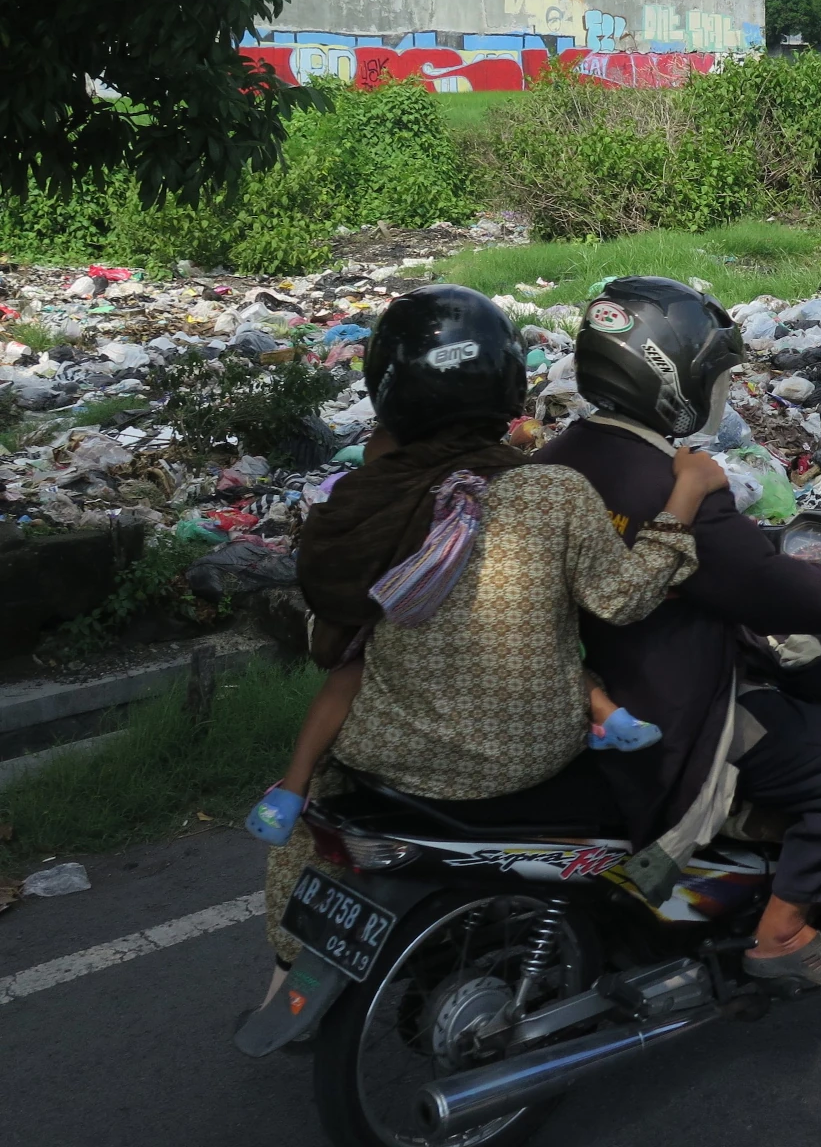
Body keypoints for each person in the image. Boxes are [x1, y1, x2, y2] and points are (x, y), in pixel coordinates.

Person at [253, 285, 724, 983]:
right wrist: (684, 499)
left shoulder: (374, 493)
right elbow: (621, 603)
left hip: (389, 751)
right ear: (506, 382)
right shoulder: (550, 490)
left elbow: (335, 616)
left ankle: (292, 951)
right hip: (525, 756)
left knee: (325, 778)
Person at [535, 276, 821, 991]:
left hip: (575, 685)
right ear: (671, 373)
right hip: (668, 703)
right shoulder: (671, 480)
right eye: (712, 374)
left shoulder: (557, 458)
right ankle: (780, 936)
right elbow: (780, 593)